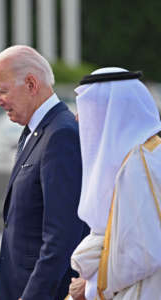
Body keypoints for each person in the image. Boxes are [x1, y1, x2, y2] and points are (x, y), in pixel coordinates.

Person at [0, 45, 88, 300]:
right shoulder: (36, 130)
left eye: (2, 91)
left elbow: (61, 236)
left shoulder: (60, 134)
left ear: (32, 84)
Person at [68, 67, 161, 300]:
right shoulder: (143, 154)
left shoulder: (139, 163)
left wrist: (89, 288)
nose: (78, 118)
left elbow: (142, 253)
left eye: (86, 110)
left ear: (111, 112)